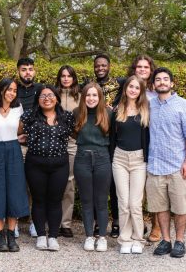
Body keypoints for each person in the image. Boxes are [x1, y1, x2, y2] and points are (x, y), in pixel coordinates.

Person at [146, 68, 186, 258]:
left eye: (165, 79)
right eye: (158, 79)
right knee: (160, 207)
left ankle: (180, 241)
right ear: (153, 84)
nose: (162, 82)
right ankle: (166, 240)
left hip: (177, 166)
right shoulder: (149, 105)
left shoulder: (182, 104)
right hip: (155, 166)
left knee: (180, 207)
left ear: (172, 83)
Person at [20, 85, 75, 251]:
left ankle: (52, 236)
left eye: (50, 95)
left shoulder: (66, 116)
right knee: (38, 200)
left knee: (55, 200)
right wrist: (20, 138)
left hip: (59, 164)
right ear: (38, 100)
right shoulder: (30, 115)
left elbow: (75, 133)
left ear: (56, 98)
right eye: (42, 96)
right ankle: (41, 236)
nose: (47, 98)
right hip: (35, 164)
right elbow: (18, 132)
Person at [0, 78, 30, 252]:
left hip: (13, 150)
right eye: (9, 89)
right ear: (2, 90)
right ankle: (0, 237)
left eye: (14, 90)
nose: (12, 93)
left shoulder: (18, 109)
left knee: (14, 191)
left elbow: (20, 129)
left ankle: (11, 235)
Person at [111, 75, 150, 254]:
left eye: (137, 87)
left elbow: (148, 137)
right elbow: (112, 137)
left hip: (138, 160)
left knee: (135, 203)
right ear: (126, 88)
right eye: (130, 86)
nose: (133, 90)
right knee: (123, 202)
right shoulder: (117, 109)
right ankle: (124, 239)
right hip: (119, 158)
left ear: (141, 91)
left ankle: (138, 239)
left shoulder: (145, 110)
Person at [124, 54, 160, 242]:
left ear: (151, 70)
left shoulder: (156, 92)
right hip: (136, 145)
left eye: (146, 67)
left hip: (155, 144)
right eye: (140, 67)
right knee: (136, 192)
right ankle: (139, 225)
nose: (143, 70)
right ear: (134, 69)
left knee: (153, 188)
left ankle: (156, 225)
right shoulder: (131, 89)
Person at [73, 83, 113, 252]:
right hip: (82, 157)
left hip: (103, 158)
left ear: (100, 97)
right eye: (88, 95)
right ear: (83, 97)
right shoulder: (76, 114)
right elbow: (71, 132)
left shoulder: (108, 113)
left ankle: (102, 236)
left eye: (94, 95)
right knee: (86, 200)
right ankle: (89, 236)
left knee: (101, 200)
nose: (91, 98)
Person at [84, 54, 120, 237]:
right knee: (96, 189)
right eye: (97, 65)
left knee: (113, 186)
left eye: (104, 65)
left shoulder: (119, 84)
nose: (100, 68)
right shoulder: (89, 86)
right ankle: (97, 223)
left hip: (110, 136)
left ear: (109, 66)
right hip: (93, 138)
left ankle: (116, 221)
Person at [16, 57, 42, 238]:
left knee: (36, 185)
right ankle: (14, 221)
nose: (27, 72)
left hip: (37, 144)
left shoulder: (42, 90)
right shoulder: (12, 89)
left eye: (30, 69)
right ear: (18, 71)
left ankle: (35, 221)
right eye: (24, 69)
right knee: (17, 184)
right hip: (15, 142)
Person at [55, 65, 80, 238]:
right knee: (52, 182)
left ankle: (65, 223)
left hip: (72, 142)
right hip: (53, 142)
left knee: (69, 183)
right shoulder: (53, 95)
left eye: (69, 76)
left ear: (73, 78)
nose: (65, 79)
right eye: (63, 76)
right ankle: (52, 221)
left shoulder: (79, 97)